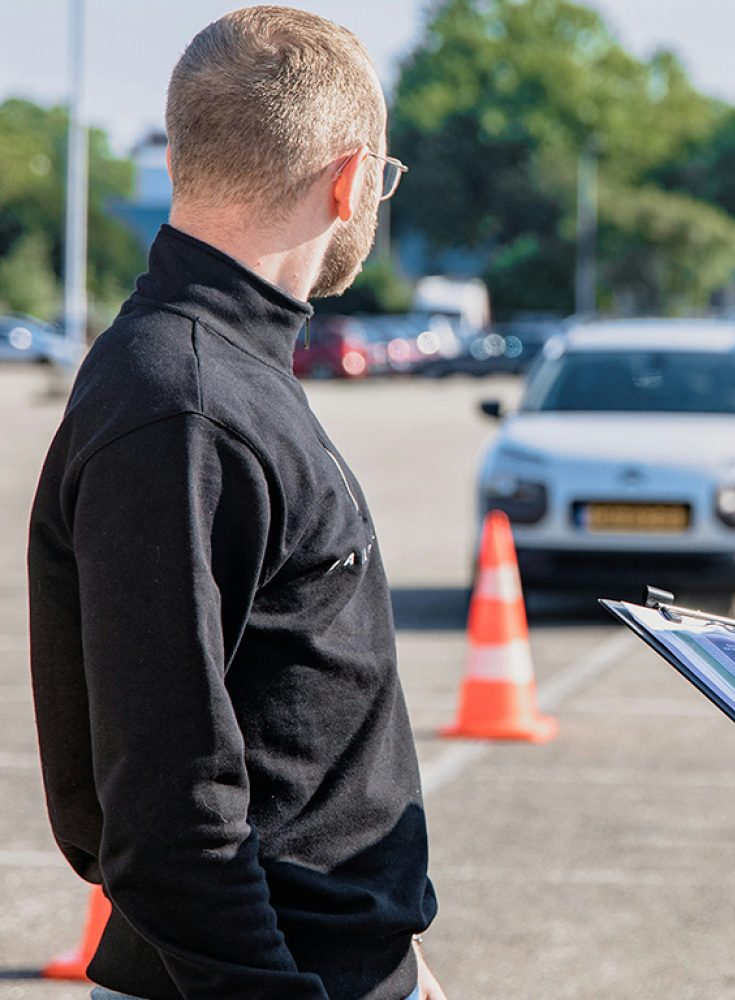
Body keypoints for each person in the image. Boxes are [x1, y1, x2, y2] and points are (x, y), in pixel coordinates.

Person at [28, 8, 442, 998]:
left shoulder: (222, 373)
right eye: (380, 179)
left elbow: (292, 733)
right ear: (349, 180)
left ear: (181, 156)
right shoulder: (184, 404)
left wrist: (401, 960)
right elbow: (170, 818)